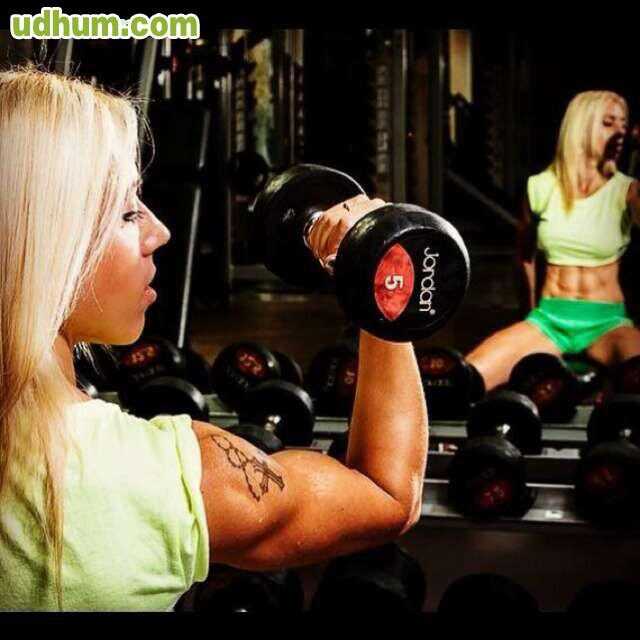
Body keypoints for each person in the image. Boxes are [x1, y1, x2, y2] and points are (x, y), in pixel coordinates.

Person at [0, 67, 427, 611]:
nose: (159, 232)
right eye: (128, 211)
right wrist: (379, 266)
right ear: (48, 243)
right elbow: (386, 495)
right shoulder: (159, 481)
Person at [466, 90, 640, 391]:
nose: (620, 131)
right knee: (466, 378)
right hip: (549, 320)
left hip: (608, 323)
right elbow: (526, 256)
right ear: (582, 127)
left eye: (624, 124)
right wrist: (529, 313)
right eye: (609, 123)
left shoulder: (627, 191)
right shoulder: (540, 188)